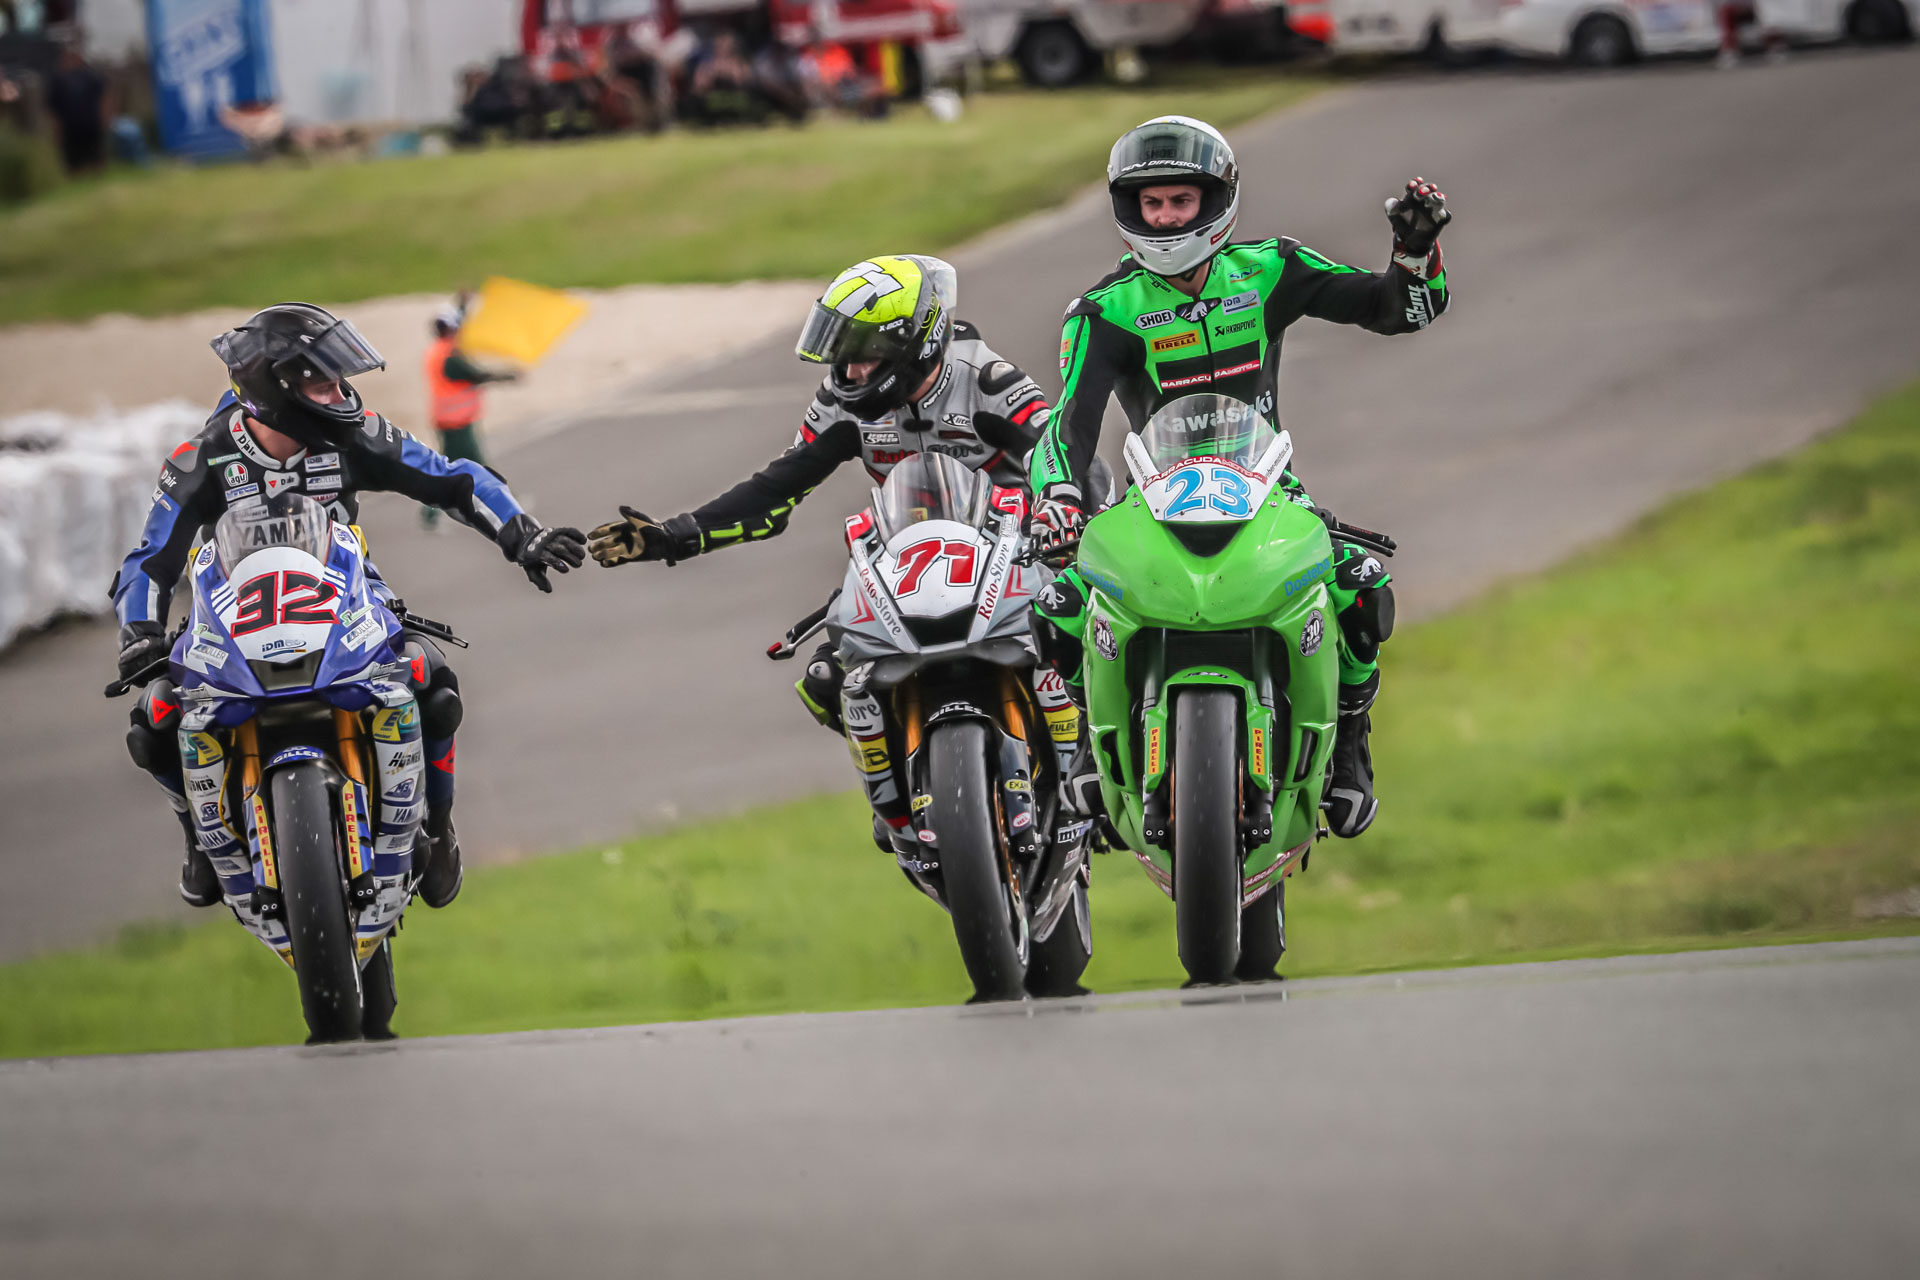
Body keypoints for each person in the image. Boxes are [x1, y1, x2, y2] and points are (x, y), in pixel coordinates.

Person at [1026, 115, 1452, 840]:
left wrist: (1414, 253)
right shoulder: (1102, 312)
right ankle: (1090, 745)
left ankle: (1350, 748)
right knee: (1060, 604)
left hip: (1268, 489)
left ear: (1216, 199)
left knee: (1361, 584)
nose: (1165, 218)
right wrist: (1059, 498)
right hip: (1154, 495)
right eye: (1151, 203)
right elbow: (1068, 422)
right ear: (1128, 207)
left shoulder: (1271, 268)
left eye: (1180, 201)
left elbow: (1396, 311)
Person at [112, 303, 586, 911]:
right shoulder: (200, 458)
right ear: (276, 391)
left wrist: (525, 536)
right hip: (231, 622)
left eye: (340, 380)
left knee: (431, 678)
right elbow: (149, 559)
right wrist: (139, 633)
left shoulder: (357, 434)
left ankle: (438, 827)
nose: (341, 396)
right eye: (323, 384)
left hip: (349, 605)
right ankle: (198, 839)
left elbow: (454, 479)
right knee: (154, 718)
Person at [586, 255, 1073, 846]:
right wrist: (673, 535)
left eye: (864, 356)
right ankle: (898, 811)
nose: (849, 371)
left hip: (1014, 550)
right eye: (841, 355)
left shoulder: (987, 380)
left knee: (1075, 629)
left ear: (913, 344)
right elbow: (775, 489)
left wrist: (1065, 516)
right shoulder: (841, 402)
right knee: (826, 677)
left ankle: (1090, 771)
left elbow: (1065, 449)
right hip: (905, 559)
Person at [421, 296, 518, 529]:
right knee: (466, 469)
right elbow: (476, 375)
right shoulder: (450, 357)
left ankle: (501, 505)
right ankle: (506, 508)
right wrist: (507, 376)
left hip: (450, 420)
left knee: (455, 469)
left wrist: (463, 303)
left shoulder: (439, 351)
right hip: (456, 423)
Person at [43, 42, 105, 174]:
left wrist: (105, 117)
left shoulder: (89, 76)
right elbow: (52, 108)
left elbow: (103, 97)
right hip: (70, 128)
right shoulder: (58, 81)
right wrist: (56, 129)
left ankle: (96, 175)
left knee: (94, 158)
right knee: (74, 162)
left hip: (90, 125)